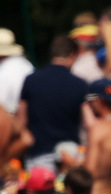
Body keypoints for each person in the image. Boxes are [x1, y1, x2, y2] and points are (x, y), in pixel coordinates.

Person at [16, 37, 87, 169]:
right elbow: (87, 123)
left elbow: (21, 120)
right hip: (70, 155)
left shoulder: (31, 80)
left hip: (38, 153)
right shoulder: (80, 84)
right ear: (72, 56)